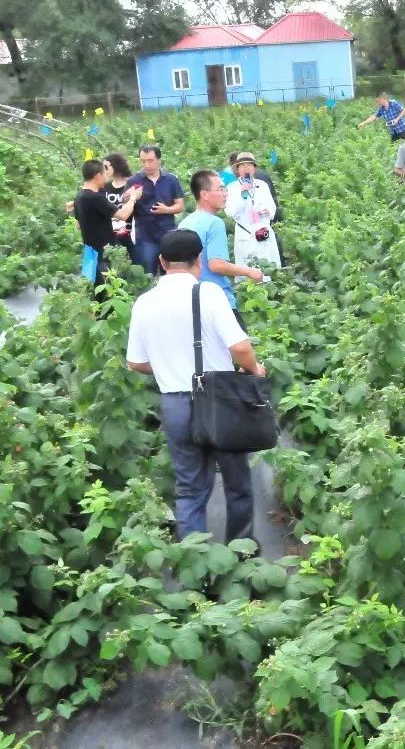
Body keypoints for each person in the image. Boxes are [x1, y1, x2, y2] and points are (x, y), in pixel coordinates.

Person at [126, 230, 265, 543]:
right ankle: (241, 556)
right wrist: (255, 370)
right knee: (237, 483)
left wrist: (166, 367)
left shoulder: (144, 302)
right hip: (220, 400)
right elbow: (240, 348)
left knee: (189, 489)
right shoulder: (209, 294)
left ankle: (194, 569)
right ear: (198, 261)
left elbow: (135, 362)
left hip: (175, 404)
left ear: (161, 262)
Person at [182, 170, 265, 328]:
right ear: (205, 194)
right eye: (220, 189)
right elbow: (216, 264)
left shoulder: (186, 222)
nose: (225, 194)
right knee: (240, 349)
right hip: (217, 298)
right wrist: (249, 272)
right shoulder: (214, 223)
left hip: (191, 297)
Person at [73, 158, 140, 290]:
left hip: (89, 251)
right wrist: (133, 198)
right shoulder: (95, 198)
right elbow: (123, 215)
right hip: (102, 253)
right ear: (98, 176)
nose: (106, 177)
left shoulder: (79, 196)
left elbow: (79, 225)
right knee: (106, 291)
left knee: (92, 290)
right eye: (104, 174)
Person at [129, 144, 186, 275]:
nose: (146, 165)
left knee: (171, 271)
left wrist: (166, 209)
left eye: (150, 161)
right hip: (145, 235)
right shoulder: (134, 181)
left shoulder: (170, 180)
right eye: (143, 161)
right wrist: (130, 198)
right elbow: (126, 207)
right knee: (147, 272)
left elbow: (180, 206)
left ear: (159, 160)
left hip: (168, 234)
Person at [224, 153, 281, 271]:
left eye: (249, 165)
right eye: (242, 165)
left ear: (254, 168)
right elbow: (230, 212)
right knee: (248, 269)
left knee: (269, 268)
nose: (246, 168)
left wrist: (268, 211)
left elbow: (272, 206)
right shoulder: (232, 188)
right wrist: (242, 194)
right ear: (237, 169)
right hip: (246, 233)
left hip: (263, 231)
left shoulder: (262, 185)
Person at [102, 154, 137, 259]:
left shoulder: (132, 184)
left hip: (130, 231)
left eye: (106, 167)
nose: (104, 170)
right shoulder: (106, 187)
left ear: (116, 166)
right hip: (110, 232)